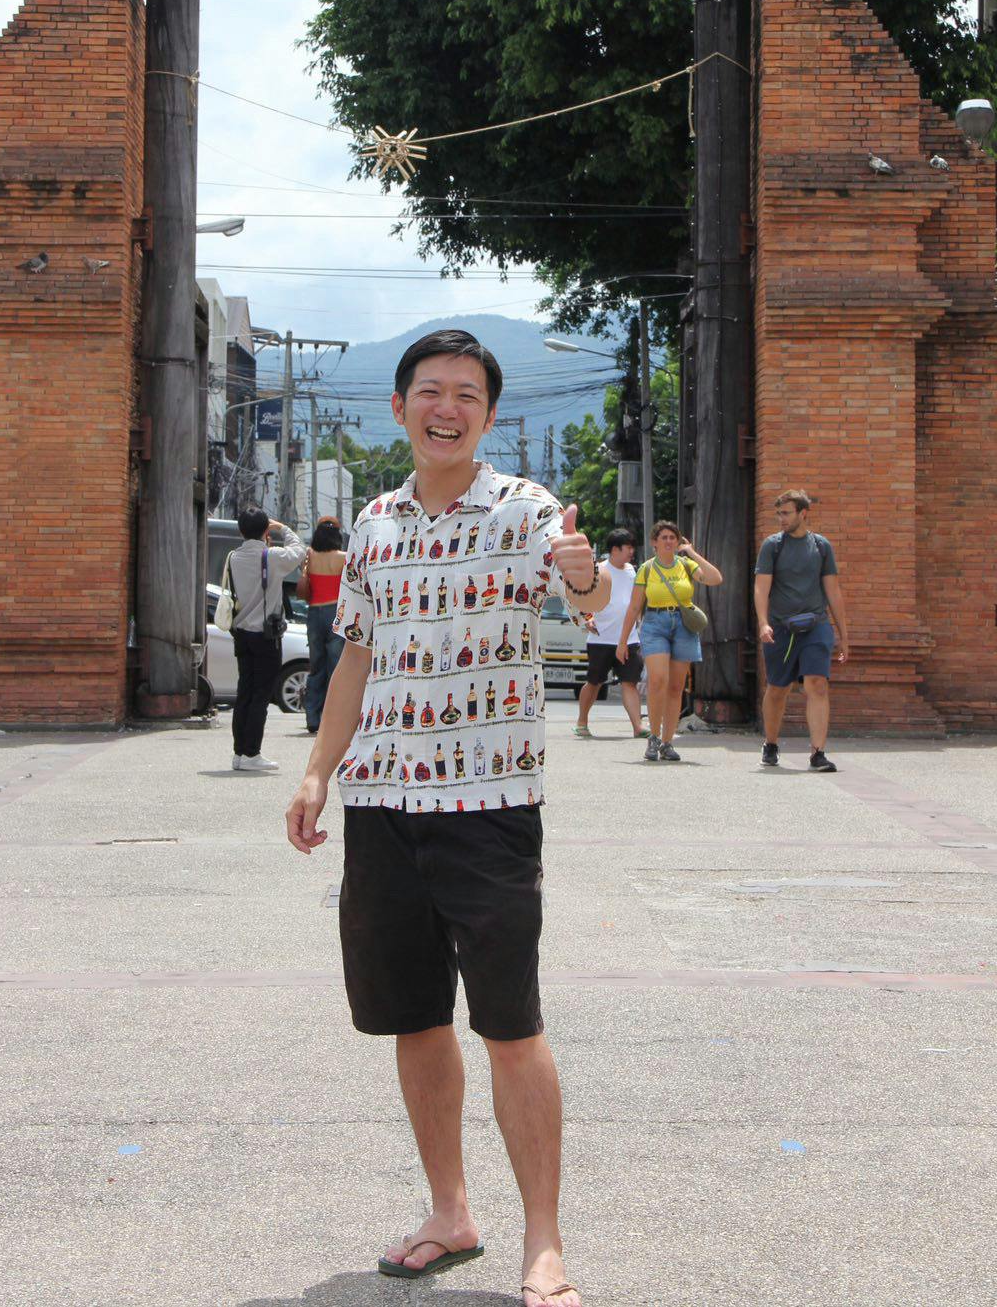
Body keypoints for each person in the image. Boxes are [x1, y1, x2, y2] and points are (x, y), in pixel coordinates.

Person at [286, 328, 611, 1307]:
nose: (448, 407)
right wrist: (316, 772)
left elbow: (591, 600)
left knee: (511, 1022)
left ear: (490, 414)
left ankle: (544, 1242)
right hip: (383, 807)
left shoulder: (526, 509)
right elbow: (354, 657)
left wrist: (584, 570)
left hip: (490, 806)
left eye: (467, 393)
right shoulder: (373, 522)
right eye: (431, 390)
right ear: (400, 407)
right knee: (415, 1018)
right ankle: (449, 1210)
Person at [754, 488, 848, 772]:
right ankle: (771, 743)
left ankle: (818, 753)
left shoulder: (821, 546)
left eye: (786, 513)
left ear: (803, 513)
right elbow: (761, 587)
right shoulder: (772, 546)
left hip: (816, 625)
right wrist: (763, 622)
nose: (781, 519)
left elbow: (833, 591)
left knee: (817, 683)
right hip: (781, 628)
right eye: (778, 514)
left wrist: (844, 635)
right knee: (777, 689)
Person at [616, 519, 722, 762]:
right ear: (654, 542)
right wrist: (623, 641)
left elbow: (715, 578)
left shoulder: (686, 565)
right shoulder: (647, 569)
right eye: (663, 537)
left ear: (678, 542)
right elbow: (634, 607)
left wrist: (692, 553)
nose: (668, 541)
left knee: (676, 687)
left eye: (672, 537)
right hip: (655, 623)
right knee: (658, 681)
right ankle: (653, 737)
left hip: (683, 624)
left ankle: (667, 741)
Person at [222, 507, 306, 774]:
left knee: (245, 693)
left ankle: (240, 753)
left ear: (241, 530)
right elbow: (299, 551)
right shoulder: (272, 556)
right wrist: (283, 528)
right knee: (261, 695)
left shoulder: (233, 557)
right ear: (265, 531)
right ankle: (251, 753)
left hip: (241, 633)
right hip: (265, 635)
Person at [574, 528, 645, 739]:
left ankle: (638, 727)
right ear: (615, 549)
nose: (631, 551)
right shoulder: (597, 570)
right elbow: (578, 595)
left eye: (632, 547)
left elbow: (636, 601)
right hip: (601, 638)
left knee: (629, 682)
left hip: (629, 638)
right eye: (628, 547)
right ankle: (582, 721)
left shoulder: (633, 571)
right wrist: (585, 618)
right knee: (594, 682)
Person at [298, 515, 346, 736]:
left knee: (316, 667)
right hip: (336, 613)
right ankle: (332, 718)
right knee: (335, 668)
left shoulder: (310, 555)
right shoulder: (343, 558)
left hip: (314, 613)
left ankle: (312, 717)